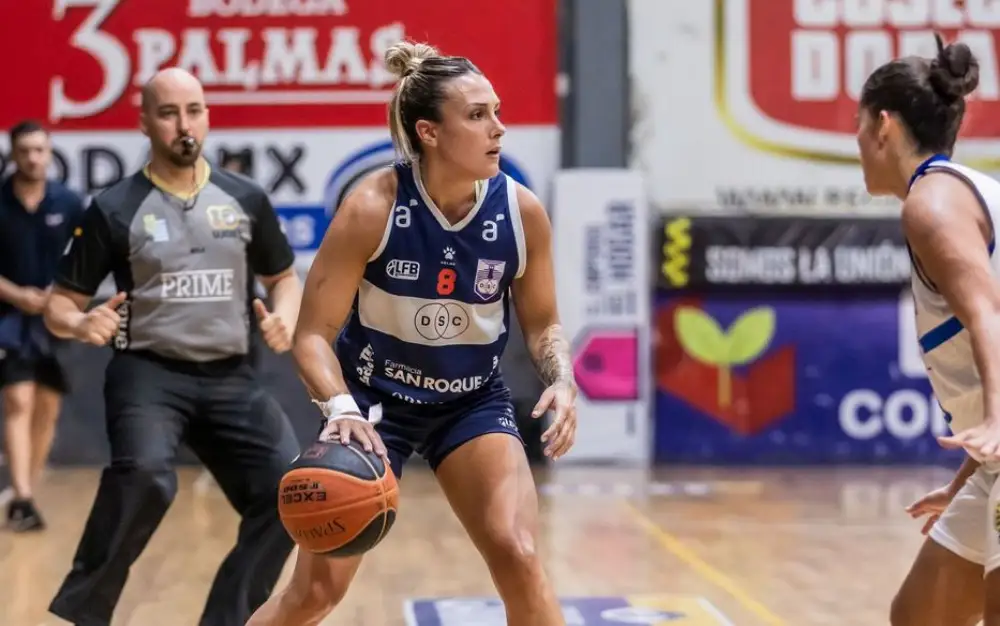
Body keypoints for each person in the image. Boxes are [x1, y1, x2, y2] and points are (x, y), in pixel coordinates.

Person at [246, 41, 578, 626]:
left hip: (471, 401)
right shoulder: (373, 206)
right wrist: (340, 408)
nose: (498, 128)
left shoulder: (521, 213)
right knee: (314, 596)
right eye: (478, 116)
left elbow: (544, 322)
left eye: (497, 111)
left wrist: (563, 378)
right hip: (373, 407)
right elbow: (311, 336)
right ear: (428, 132)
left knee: (520, 555)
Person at [42, 68, 302, 626]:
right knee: (146, 478)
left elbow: (284, 277)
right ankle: (83, 613)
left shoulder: (245, 199)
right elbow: (58, 303)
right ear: (144, 122)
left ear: (208, 116)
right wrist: (79, 324)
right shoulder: (114, 206)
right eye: (168, 113)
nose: (184, 125)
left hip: (231, 375)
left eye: (195, 110)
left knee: (291, 492)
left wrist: (285, 317)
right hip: (149, 374)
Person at [856, 35, 1000, 625]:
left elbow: (988, 315)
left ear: (884, 125)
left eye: (859, 126)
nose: (858, 143)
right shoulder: (961, 190)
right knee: (919, 616)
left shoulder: (931, 204)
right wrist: (972, 472)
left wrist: (995, 420)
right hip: (995, 463)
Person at [0, 120, 86, 531]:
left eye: (40, 150)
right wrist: (18, 295)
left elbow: (86, 258)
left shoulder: (69, 202)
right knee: (18, 401)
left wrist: (60, 294)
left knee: (47, 409)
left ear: (49, 154)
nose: (33, 158)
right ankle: (21, 495)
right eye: (25, 151)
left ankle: (27, 490)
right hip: (8, 319)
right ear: (13, 155)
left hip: (56, 319)